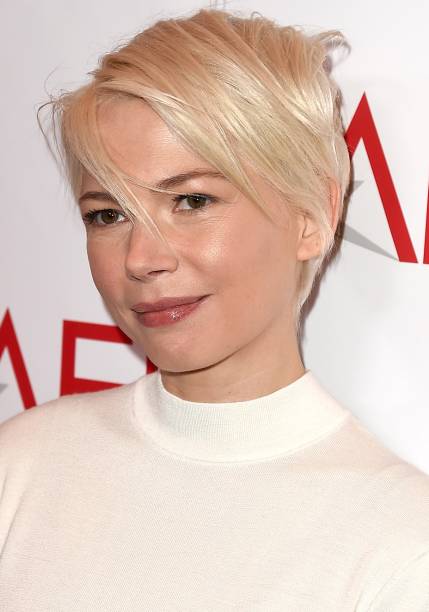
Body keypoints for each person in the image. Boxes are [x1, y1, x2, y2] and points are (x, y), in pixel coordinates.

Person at [1, 7, 428, 611]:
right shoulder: (23, 463)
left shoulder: (400, 543)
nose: (141, 258)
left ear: (313, 216)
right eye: (108, 214)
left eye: (192, 201)